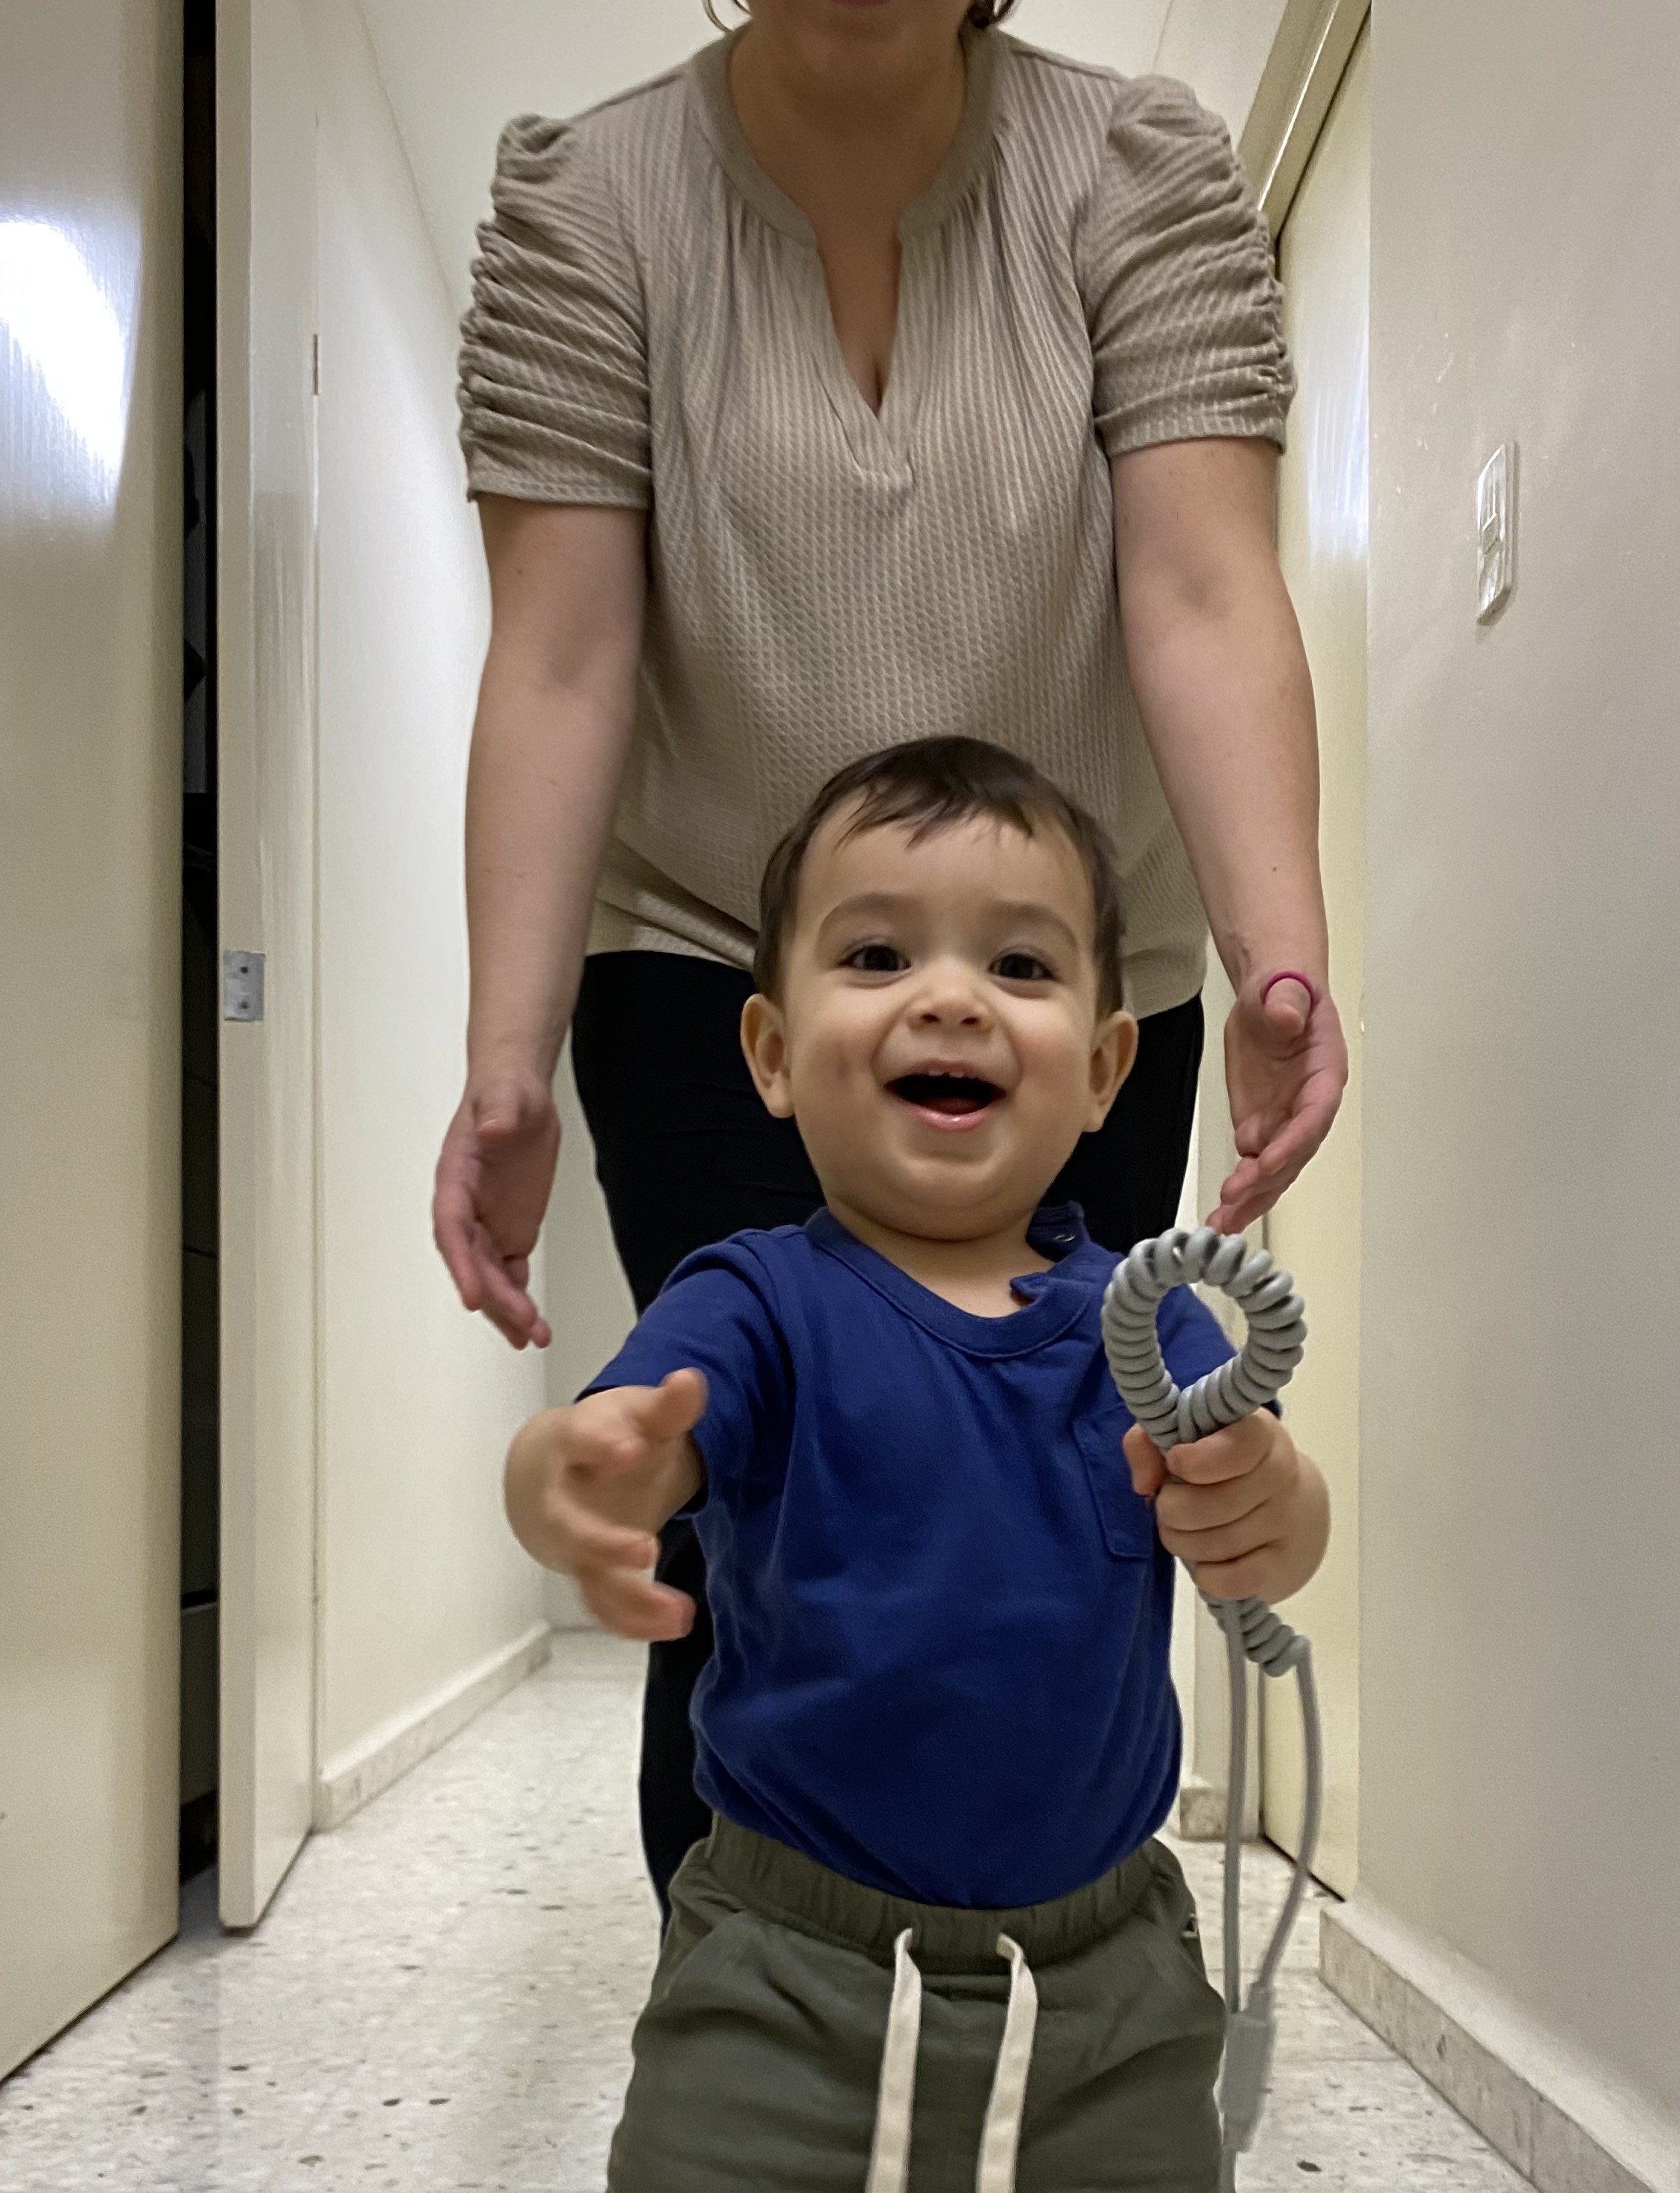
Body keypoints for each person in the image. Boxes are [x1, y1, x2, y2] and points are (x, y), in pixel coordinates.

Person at [504, 738, 1329, 2193]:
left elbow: (1276, 1511)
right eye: (877, 955)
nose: (950, 996)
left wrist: (1269, 1500)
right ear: (771, 1052)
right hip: (789, 1953)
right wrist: (579, 1471)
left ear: (1104, 1063)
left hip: (1098, 1972)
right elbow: (633, 1418)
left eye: (1020, 966)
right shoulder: (758, 1296)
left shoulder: (1143, 1325)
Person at [442, 0, 1348, 1912]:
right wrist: (505, 1062)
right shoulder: (587, 204)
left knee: (1066, 1494)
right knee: (748, 1507)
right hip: (718, 960)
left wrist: (1278, 961)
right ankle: (752, 2006)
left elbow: (1201, 585)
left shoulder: (1137, 173)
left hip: (1071, 969)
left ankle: (1050, 1948)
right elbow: (562, 656)